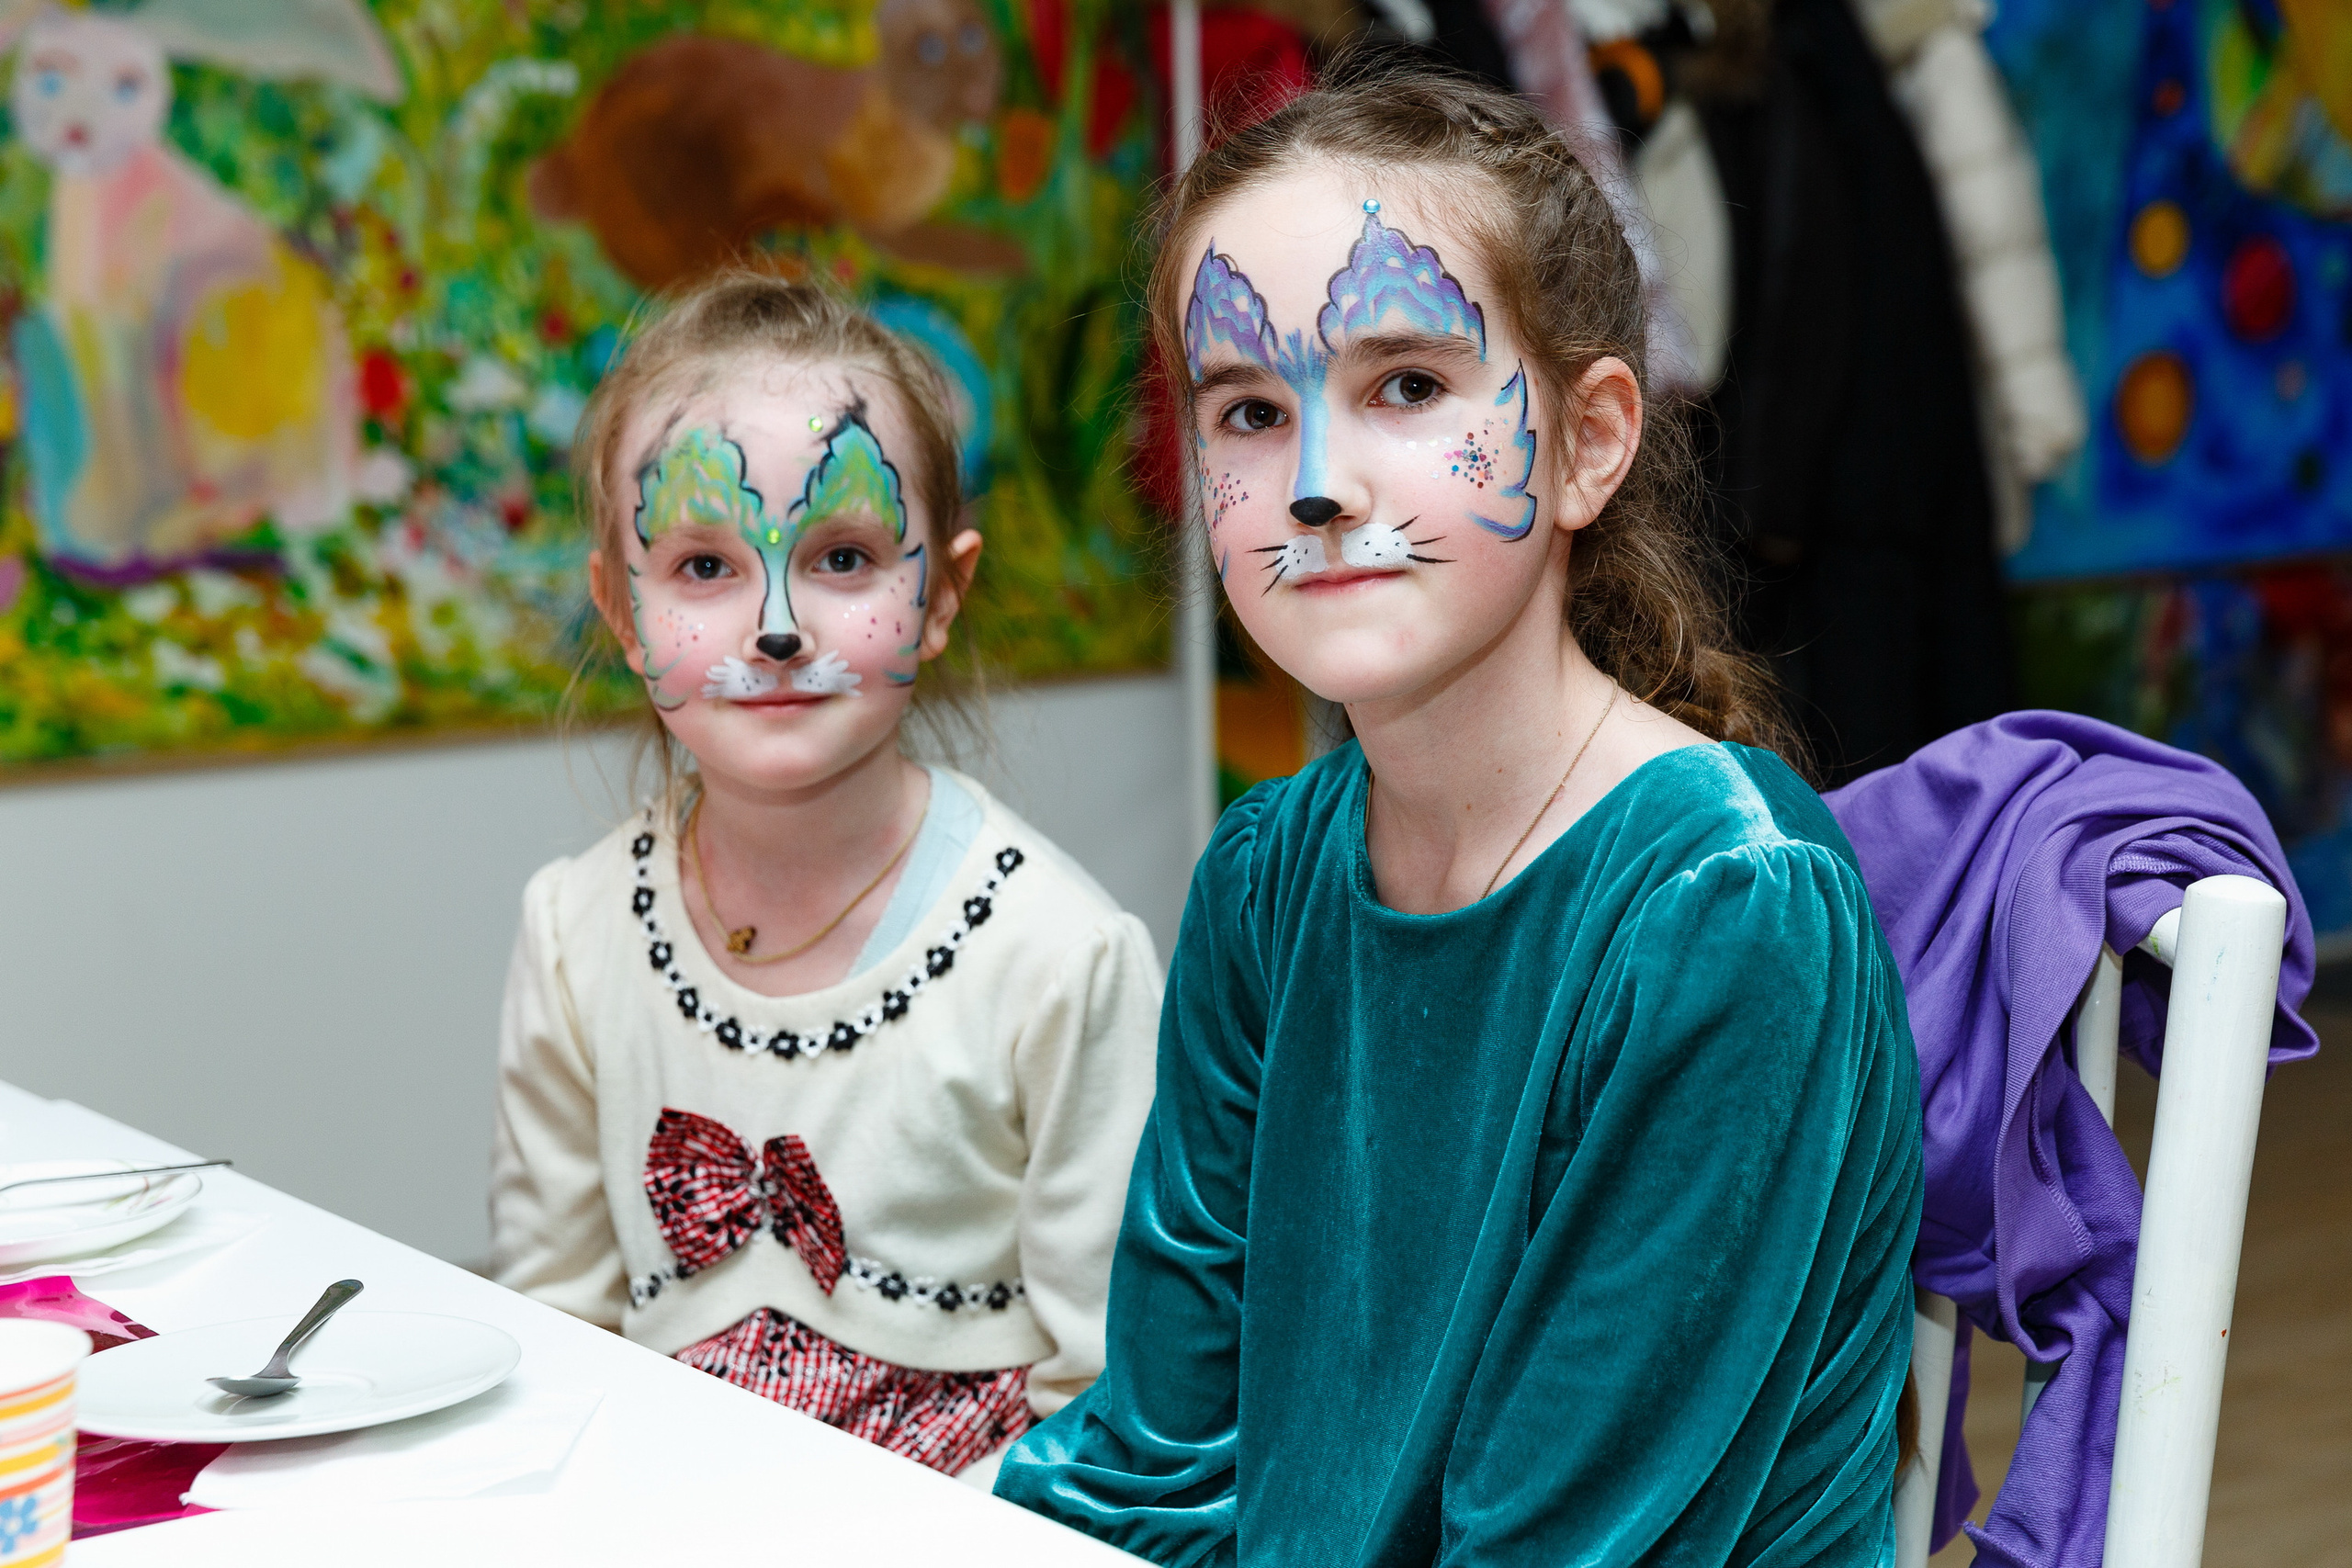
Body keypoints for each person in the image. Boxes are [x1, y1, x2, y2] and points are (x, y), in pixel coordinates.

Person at [993, 59, 1924, 1564]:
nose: (1311, 482)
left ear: (1592, 439)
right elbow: (1155, 1461)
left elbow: (1560, 1541)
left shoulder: (1727, 913)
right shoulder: (1266, 879)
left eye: (1406, 387)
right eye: (1243, 409)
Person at [489, 275, 1161, 1485]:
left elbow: (1110, 1395)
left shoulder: (1058, 955)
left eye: (843, 556)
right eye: (704, 568)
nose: (779, 624)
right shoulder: (574, 931)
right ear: (622, 610)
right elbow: (558, 1332)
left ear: (941, 593)